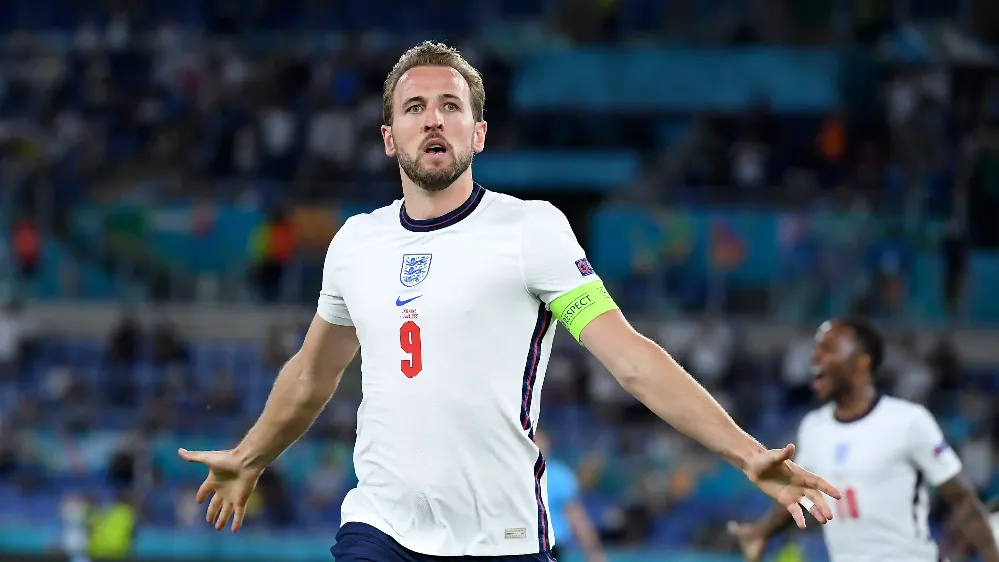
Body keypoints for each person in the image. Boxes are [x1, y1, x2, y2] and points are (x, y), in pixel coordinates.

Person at [177, 41, 841, 561]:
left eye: (449, 105)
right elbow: (311, 375)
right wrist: (251, 454)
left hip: (503, 538)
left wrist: (745, 452)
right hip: (380, 529)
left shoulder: (531, 230)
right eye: (414, 108)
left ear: (478, 133)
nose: (432, 118)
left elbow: (631, 360)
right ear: (389, 138)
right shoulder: (356, 242)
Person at [728, 318, 999, 562]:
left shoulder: (908, 421)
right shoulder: (814, 427)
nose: (815, 357)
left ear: (862, 362)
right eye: (816, 349)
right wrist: (761, 532)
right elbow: (801, 496)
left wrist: (991, 554)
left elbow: (962, 499)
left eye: (828, 348)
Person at [534, 429, 606, 562]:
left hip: (551, 546)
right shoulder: (511, 474)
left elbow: (575, 515)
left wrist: (593, 551)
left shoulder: (561, 475)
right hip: (517, 544)